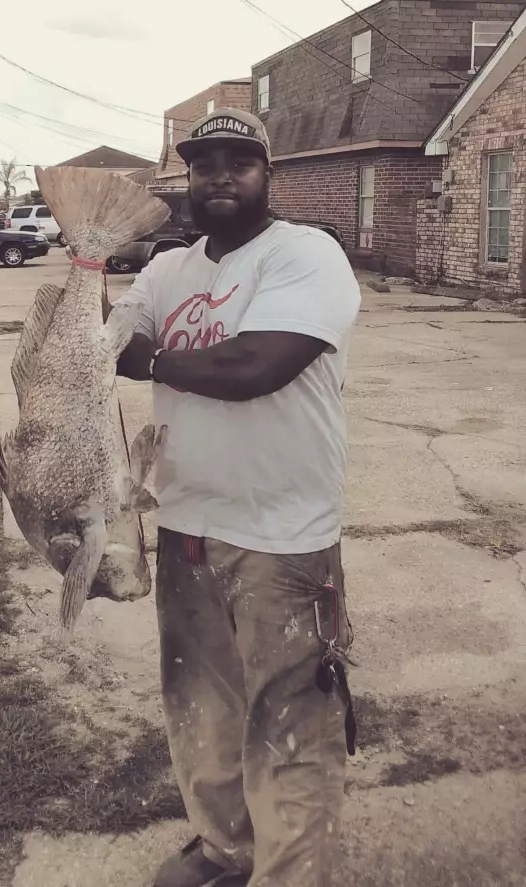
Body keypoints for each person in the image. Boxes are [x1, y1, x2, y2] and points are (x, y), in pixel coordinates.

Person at [114, 107, 361, 887]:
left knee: (290, 722)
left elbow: (255, 365)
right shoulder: (166, 270)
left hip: (282, 534)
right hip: (184, 523)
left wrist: (153, 359)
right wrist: (87, 270)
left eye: (237, 160)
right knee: (202, 711)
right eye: (203, 161)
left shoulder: (306, 255)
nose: (219, 173)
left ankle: (291, 875)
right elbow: (105, 344)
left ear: (267, 174)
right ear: (187, 176)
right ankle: (225, 850)